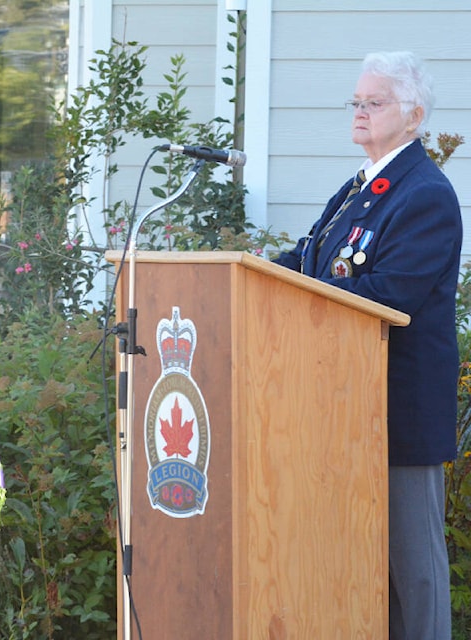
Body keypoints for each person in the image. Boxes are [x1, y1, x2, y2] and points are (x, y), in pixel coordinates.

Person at [274, 51, 459, 639]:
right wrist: (252, 270)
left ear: (414, 116)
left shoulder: (424, 192)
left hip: (397, 414)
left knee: (413, 573)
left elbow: (390, 295)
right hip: (346, 408)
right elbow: (310, 260)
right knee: (361, 570)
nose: (359, 112)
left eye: (373, 102)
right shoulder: (365, 186)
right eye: (356, 101)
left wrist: (302, 285)